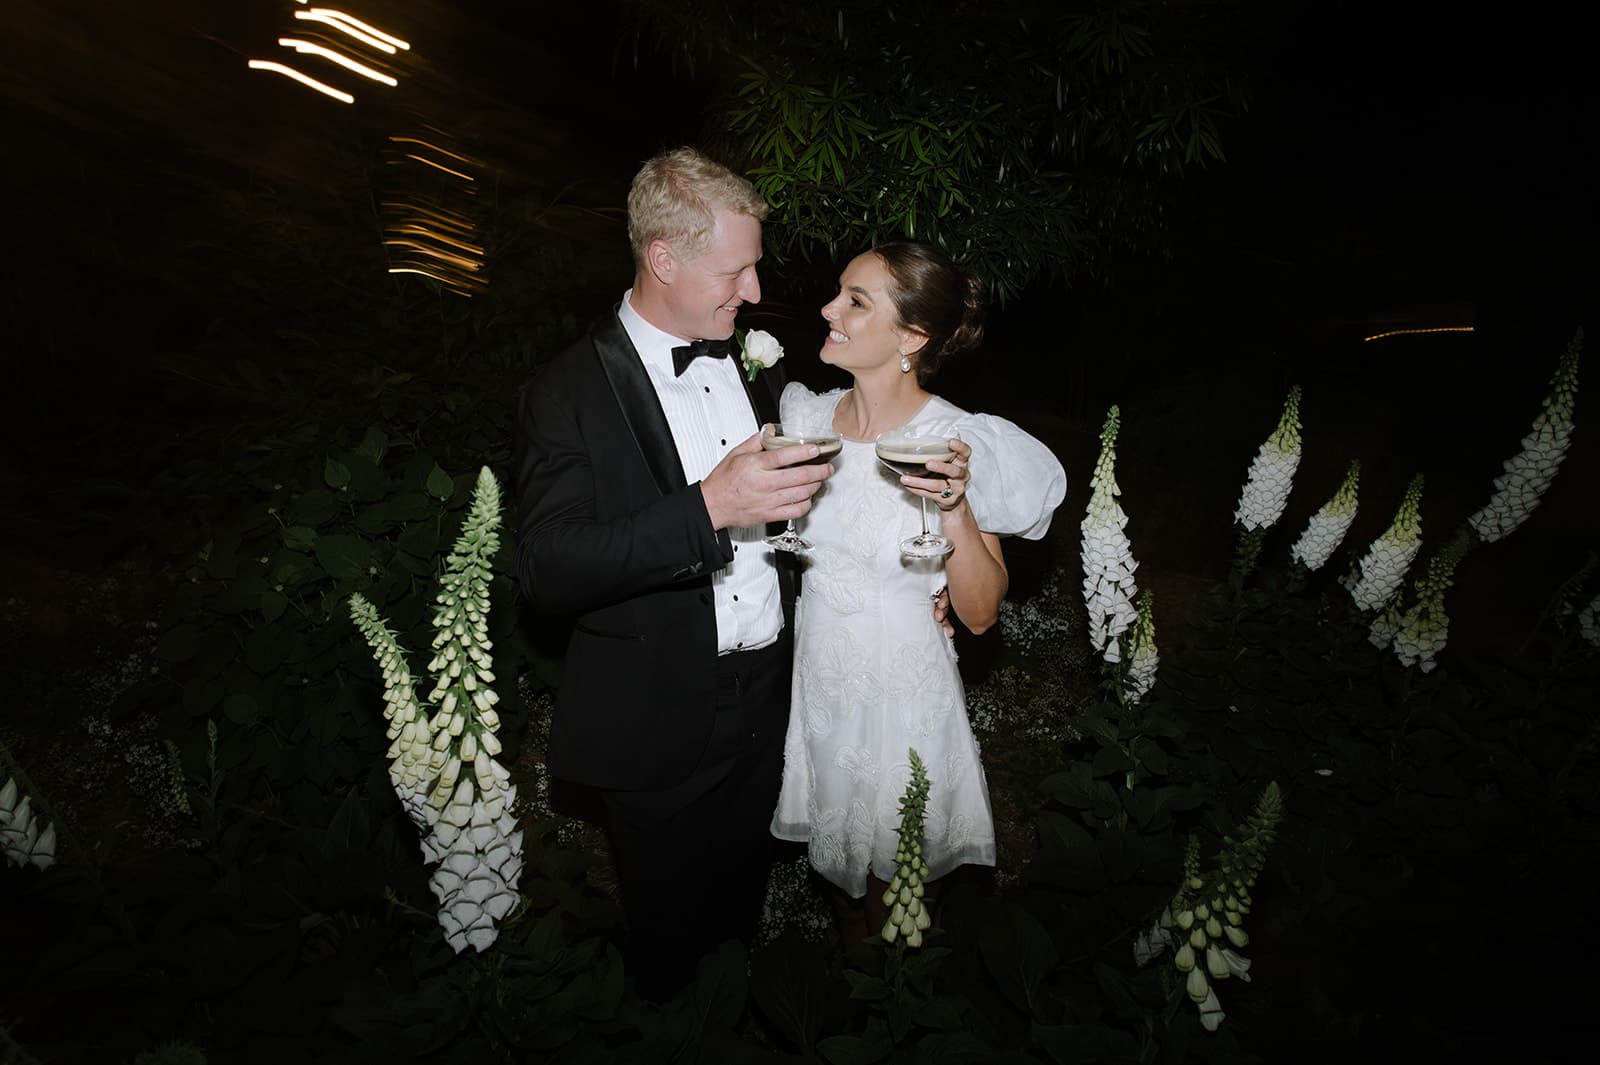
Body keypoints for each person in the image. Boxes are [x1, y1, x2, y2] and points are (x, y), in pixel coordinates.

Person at [513, 147, 833, 999]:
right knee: (666, 953)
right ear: (664, 259)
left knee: (739, 932)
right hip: (658, 720)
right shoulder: (566, 391)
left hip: (769, 702)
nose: (756, 291)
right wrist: (706, 509)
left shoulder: (751, 360)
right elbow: (547, 568)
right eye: (737, 269)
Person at [769, 241, 1067, 950]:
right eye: (838, 292)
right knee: (841, 900)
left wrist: (957, 508)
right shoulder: (805, 419)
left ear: (912, 337)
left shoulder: (955, 440)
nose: (827, 309)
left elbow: (980, 611)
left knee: (897, 905)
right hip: (821, 692)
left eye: (855, 301)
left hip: (904, 700)